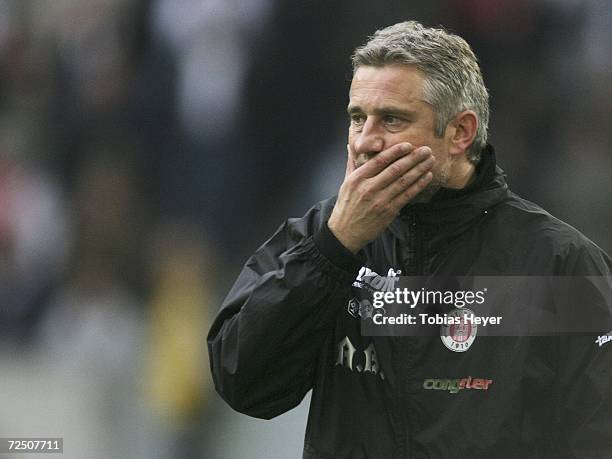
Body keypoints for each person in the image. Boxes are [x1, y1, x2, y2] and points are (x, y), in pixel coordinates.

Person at [208, 21, 612, 457]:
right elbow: (243, 383)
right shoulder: (318, 241)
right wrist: (333, 250)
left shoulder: (560, 263)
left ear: (460, 133)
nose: (365, 141)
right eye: (357, 118)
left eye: (392, 120)